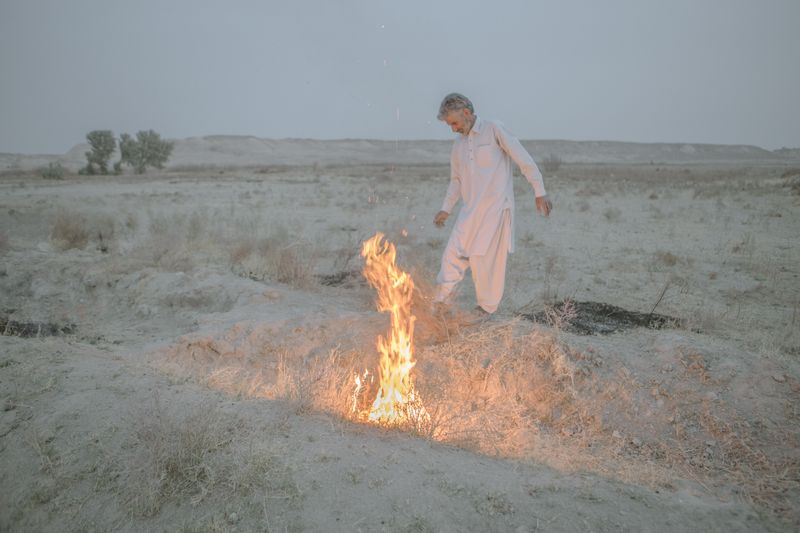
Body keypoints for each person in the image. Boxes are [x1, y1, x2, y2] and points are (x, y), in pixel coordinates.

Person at [432, 93, 552, 316]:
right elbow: (456, 180)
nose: (453, 129)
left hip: (496, 209)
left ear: (466, 113)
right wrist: (446, 208)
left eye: (454, 123)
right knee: (452, 254)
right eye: (449, 125)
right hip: (470, 211)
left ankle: (485, 311)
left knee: (484, 260)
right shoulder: (458, 146)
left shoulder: (494, 129)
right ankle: (441, 303)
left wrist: (540, 191)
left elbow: (523, 159)